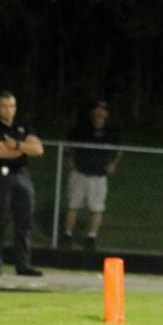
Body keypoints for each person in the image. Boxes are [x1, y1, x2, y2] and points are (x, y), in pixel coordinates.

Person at [0, 91, 45, 276]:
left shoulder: (23, 127)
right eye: (4, 106)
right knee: (0, 220)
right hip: (1, 177)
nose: (9, 110)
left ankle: (23, 265)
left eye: (12, 106)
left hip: (23, 176)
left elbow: (38, 149)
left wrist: (17, 145)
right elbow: (0, 153)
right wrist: (25, 149)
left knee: (24, 222)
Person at [60, 100, 122, 251]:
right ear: (92, 112)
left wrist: (113, 163)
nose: (100, 113)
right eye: (97, 110)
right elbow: (68, 146)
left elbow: (119, 150)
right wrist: (70, 160)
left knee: (96, 208)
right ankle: (67, 235)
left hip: (99, 176)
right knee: (73, 205)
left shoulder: (111, 132)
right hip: (80, 174)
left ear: (106, 114)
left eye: (103, 110)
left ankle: (91, 237)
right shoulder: (81, 129)